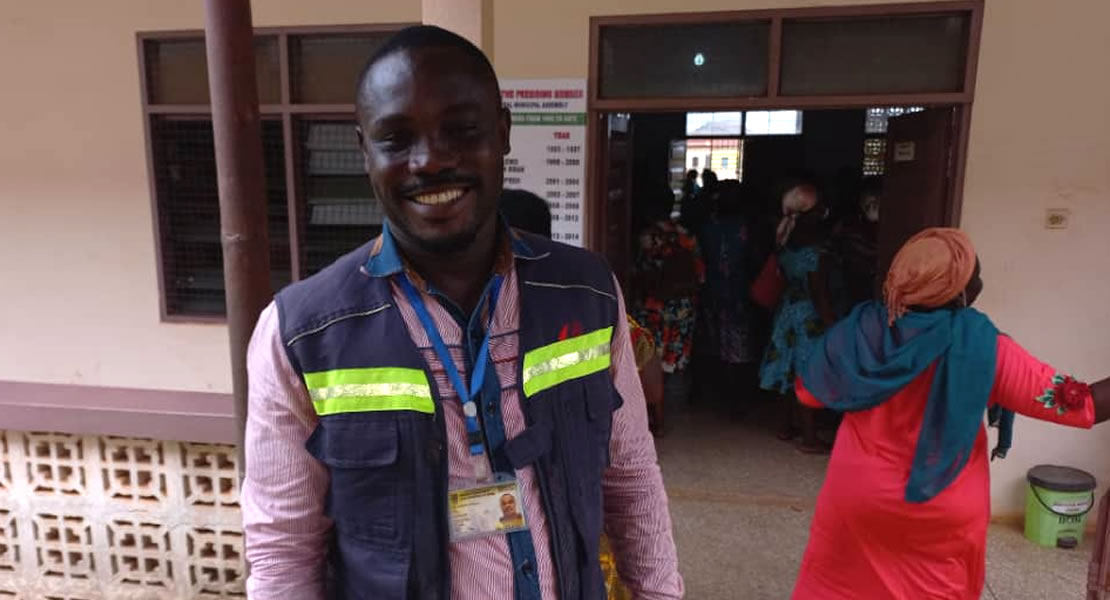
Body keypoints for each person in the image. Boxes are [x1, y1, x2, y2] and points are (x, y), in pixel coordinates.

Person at [241, 25, 683, 600]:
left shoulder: (589, 292)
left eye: (461, 130)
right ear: (364, 152)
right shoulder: (301, 333)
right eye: (396, 139)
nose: (430, 161)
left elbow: (630, 478)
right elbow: (283, 550)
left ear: (501, 132)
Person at [792, 228, 1110, 599]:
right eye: (974, 276)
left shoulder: (860, 332)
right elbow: (1082, 404)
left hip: (858, 499)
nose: (979, 283)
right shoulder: (984, 347)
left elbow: (810, 394)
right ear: (962, 291)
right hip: (940, 510)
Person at [759, 180, 838, 453]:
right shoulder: (817, 250)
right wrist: (832, 326)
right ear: (810, 213)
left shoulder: (785, 241)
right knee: (808, 375)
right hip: (809, 318)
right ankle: (809, 436)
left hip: (787, 312)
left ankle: (784, 426)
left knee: (790, 372)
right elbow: (820, 294)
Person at [692, 180, 761, 408]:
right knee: (737, 347)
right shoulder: (747, 227)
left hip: (717, 290)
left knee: (713, 344)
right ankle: (735, 399)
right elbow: (754, 259)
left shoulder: (707, 226)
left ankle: (716, 395)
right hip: (736, 292)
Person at [630, 184, 704, 384]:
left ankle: (654, 410)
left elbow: (637, 272)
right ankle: (671, 403)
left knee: (649, 361)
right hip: (682, 308)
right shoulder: (686, 236)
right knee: (673, 363)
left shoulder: (647, 238)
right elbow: (700, 275)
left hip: (654, 308)